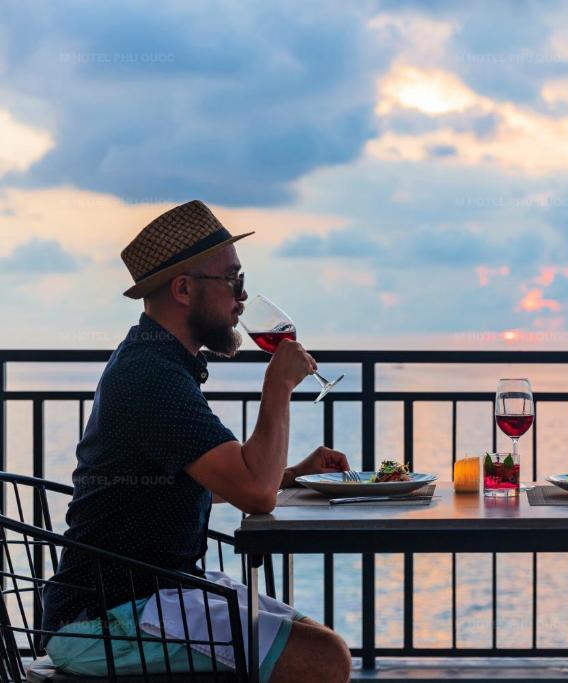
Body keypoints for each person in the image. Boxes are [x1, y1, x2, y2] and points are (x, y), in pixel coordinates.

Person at [41, 200, 352, 682]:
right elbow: (254, 493)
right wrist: (278, 386)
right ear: (183, 289)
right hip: (105, 619)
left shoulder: (153, 362)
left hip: (147, 594)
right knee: (324, 659)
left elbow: (200, 481)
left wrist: (289, 475)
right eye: (233, 281)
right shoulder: (150, 376)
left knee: (313, 636)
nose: (242, 300)